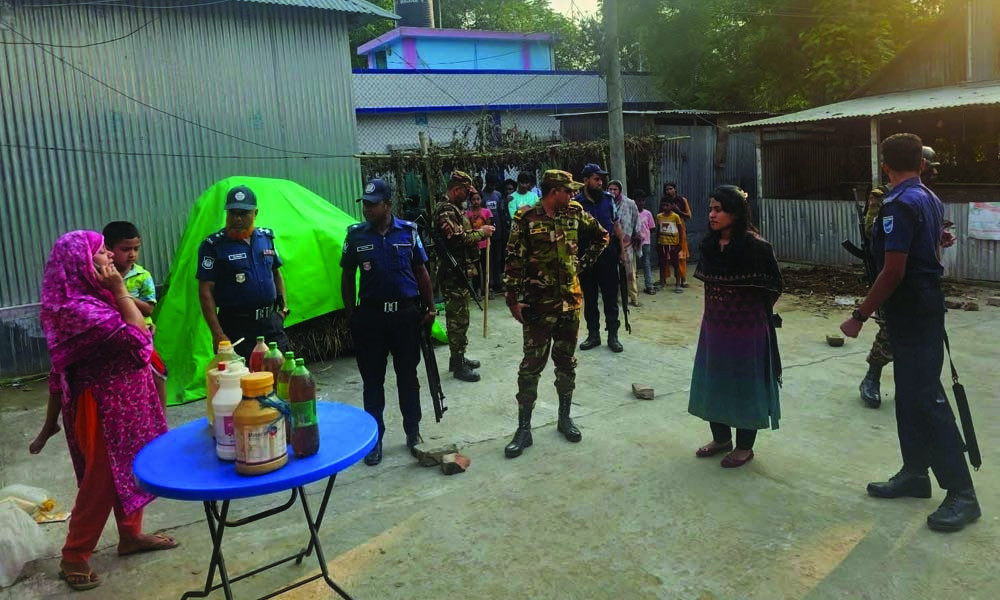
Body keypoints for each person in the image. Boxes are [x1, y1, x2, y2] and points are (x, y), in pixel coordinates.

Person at [840, 133, 980, 533]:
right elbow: (928, 245)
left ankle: (963, 494)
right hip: (921, 303)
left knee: (927, 400)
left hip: (911, 306)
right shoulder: (929, 198)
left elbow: (893, 270)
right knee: (910, 394)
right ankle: (916, 474)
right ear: (921, 164)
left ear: (884, 166)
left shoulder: (898, 204)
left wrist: (859, 314)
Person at [33, 231, 175, 591]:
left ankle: (130, 535)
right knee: (103, 478)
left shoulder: (93, 297)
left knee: (132, 466)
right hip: (102, 403)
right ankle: (74, 554)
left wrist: (123, 304)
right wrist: (122, 295)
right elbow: (139, 341)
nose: (110, 256)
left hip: (127, 398)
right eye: (101, 252)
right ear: (80, 263)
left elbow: (135, 332)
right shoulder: (79, 308)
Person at [503, 170, 609, 458]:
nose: (573, 195)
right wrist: (513, 301)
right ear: (554, 191)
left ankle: (564, 418)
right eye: (568, 191)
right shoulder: (525, 218)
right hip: (538, 307)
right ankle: (523, 429)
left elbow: (602, 236)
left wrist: (580, 266)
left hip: (570, 304)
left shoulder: (575, 213)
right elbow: (513, 260)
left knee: (566, 363)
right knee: (530, 368)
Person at [341, 179, 437, 466]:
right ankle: (375, 439)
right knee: (373, 381)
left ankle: (413, 431)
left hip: (406, 316)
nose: (367, 209)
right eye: (365, 204)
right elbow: (347, 276)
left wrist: (430, 308)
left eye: (373, 204)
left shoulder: (408, 232)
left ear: (388, 204)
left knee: (408, 376)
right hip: (371, 318)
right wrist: (351, 314)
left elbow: (421, 271)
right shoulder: (355, 236)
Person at [689, 186, 782, 468]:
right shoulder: (709, 245)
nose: (712, 215)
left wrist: (749, 312)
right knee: (713, 383)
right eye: (711, 208)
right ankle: (721, 439)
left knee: (745, 387)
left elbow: (774, 287)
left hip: (748, 331)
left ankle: (744, 447)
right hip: (714, 328)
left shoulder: (757, 248)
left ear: (736, 213)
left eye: (719, 209)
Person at [858, 146, 946, 408]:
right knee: (890, 331)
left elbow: (924, 233)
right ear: (920, 165)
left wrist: (939, 236)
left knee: (924, 339)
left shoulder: (927, 197)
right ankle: (872, 377)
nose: (933, 172)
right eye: (930, 167)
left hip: (922, 281)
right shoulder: (885, 198)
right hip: (892, 275)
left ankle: (921, 387)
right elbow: (872, 230)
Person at [197, 185, 290, 363]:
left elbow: (276, 273)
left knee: (282, 378)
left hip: (270, 324)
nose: (237, 218)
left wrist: (283, 309)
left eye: (243, 213)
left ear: (255, 213)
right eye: (233, 213)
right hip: (236, 328)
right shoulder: (213, 246)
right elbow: (205, 291)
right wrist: (218, 334)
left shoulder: (266, 239)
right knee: (245, 385)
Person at [432, 170, 495, 382]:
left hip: (460, 272)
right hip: (451, 274)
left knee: (462, 318)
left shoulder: (456, 209)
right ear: (455, 189)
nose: (468, 195)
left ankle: (457, 358)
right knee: (457, 320)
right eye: (466, 191)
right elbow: (456, 238)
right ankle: (458, 366)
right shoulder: (446, 211)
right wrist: (482, 233)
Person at [102, 221, 167, 406]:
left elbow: (149, 308)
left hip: (141, 334)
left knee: (157, 375)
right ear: (108, 249)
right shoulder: (101, 275)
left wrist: (122, 293)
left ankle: (161, 420)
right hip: (114, 336)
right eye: (125, 249)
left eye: (136, 249)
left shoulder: (142, 276)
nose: (132, 254)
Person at [576, 163, 624, 352]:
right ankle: (593, 335)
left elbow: (616, 225)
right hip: (586, 257)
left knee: (611, 297)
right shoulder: (577, 203)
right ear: (586, 180)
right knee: (590, 297)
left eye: (601, 179)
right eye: (596, 179)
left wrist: (622, 252)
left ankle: (613, 335)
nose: (600, 182)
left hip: (608, 255)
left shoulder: (607, 199)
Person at [608, 180, 642, 307]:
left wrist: (637, 234)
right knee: (613, 272)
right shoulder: (606, 202)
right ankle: (616, 297)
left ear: (620, 190)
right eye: (610, 189)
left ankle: (634, 298)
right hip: (611, 242)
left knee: (630, 272)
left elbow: (636, 218)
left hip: (627, 242)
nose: (612, 192)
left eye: (615, 189)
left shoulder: (630, 203)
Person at [482, 174, 509, 293]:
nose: (492, 186)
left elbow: (501, 212)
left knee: (498, 257)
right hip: (486, 232)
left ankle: (498, 281)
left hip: (498, 231)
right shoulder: (481, 195)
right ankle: (490, 282)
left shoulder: (498, 195)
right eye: (491, 184)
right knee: (488, 258)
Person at [465, 189, 494, 295]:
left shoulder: (486, 212)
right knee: (475, 267)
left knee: (487, 266)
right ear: (470, 201)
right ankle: (476, 289)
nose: (476, 201)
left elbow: (489, 227)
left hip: (485, 243)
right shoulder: (467, 214)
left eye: (478, 199)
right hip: (473, 244)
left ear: (481, 200)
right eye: (473, 199)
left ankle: (488, 288)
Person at [662, 183, 692, 287]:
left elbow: (688, 216)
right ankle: (664, 278)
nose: (668, 191)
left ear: (675, 189)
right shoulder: (664, 201)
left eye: (670, 189)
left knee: (681, 255)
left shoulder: (682, 200)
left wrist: (678, 211)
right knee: (665, 254)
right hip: (666, 230)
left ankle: (683, 279)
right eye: (666, 189)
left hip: (680, 230)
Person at [656, 200, 685, 293]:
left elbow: (680, 230)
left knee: (675, 264)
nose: (665, 207)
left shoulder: (675, 217)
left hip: (673, 243)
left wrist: (680, 243)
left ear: (672, 205)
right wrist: (657, 242)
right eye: (663, 205)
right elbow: (658, 230)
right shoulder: (659, 216)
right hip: (662, 243)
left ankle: (678, 283)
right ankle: (662, 281)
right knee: (662, 263)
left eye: (667, 205)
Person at [635, 194, 657, 295]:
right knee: (632, 265)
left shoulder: (647, 213)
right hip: (633, 243)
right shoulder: (632, 213)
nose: (641, 203)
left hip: (645, 243)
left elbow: (652, 227)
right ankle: (633, 289)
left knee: (646, 263)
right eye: (638, 201)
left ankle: (649, 286)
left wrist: (644, 235)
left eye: (642, 201)